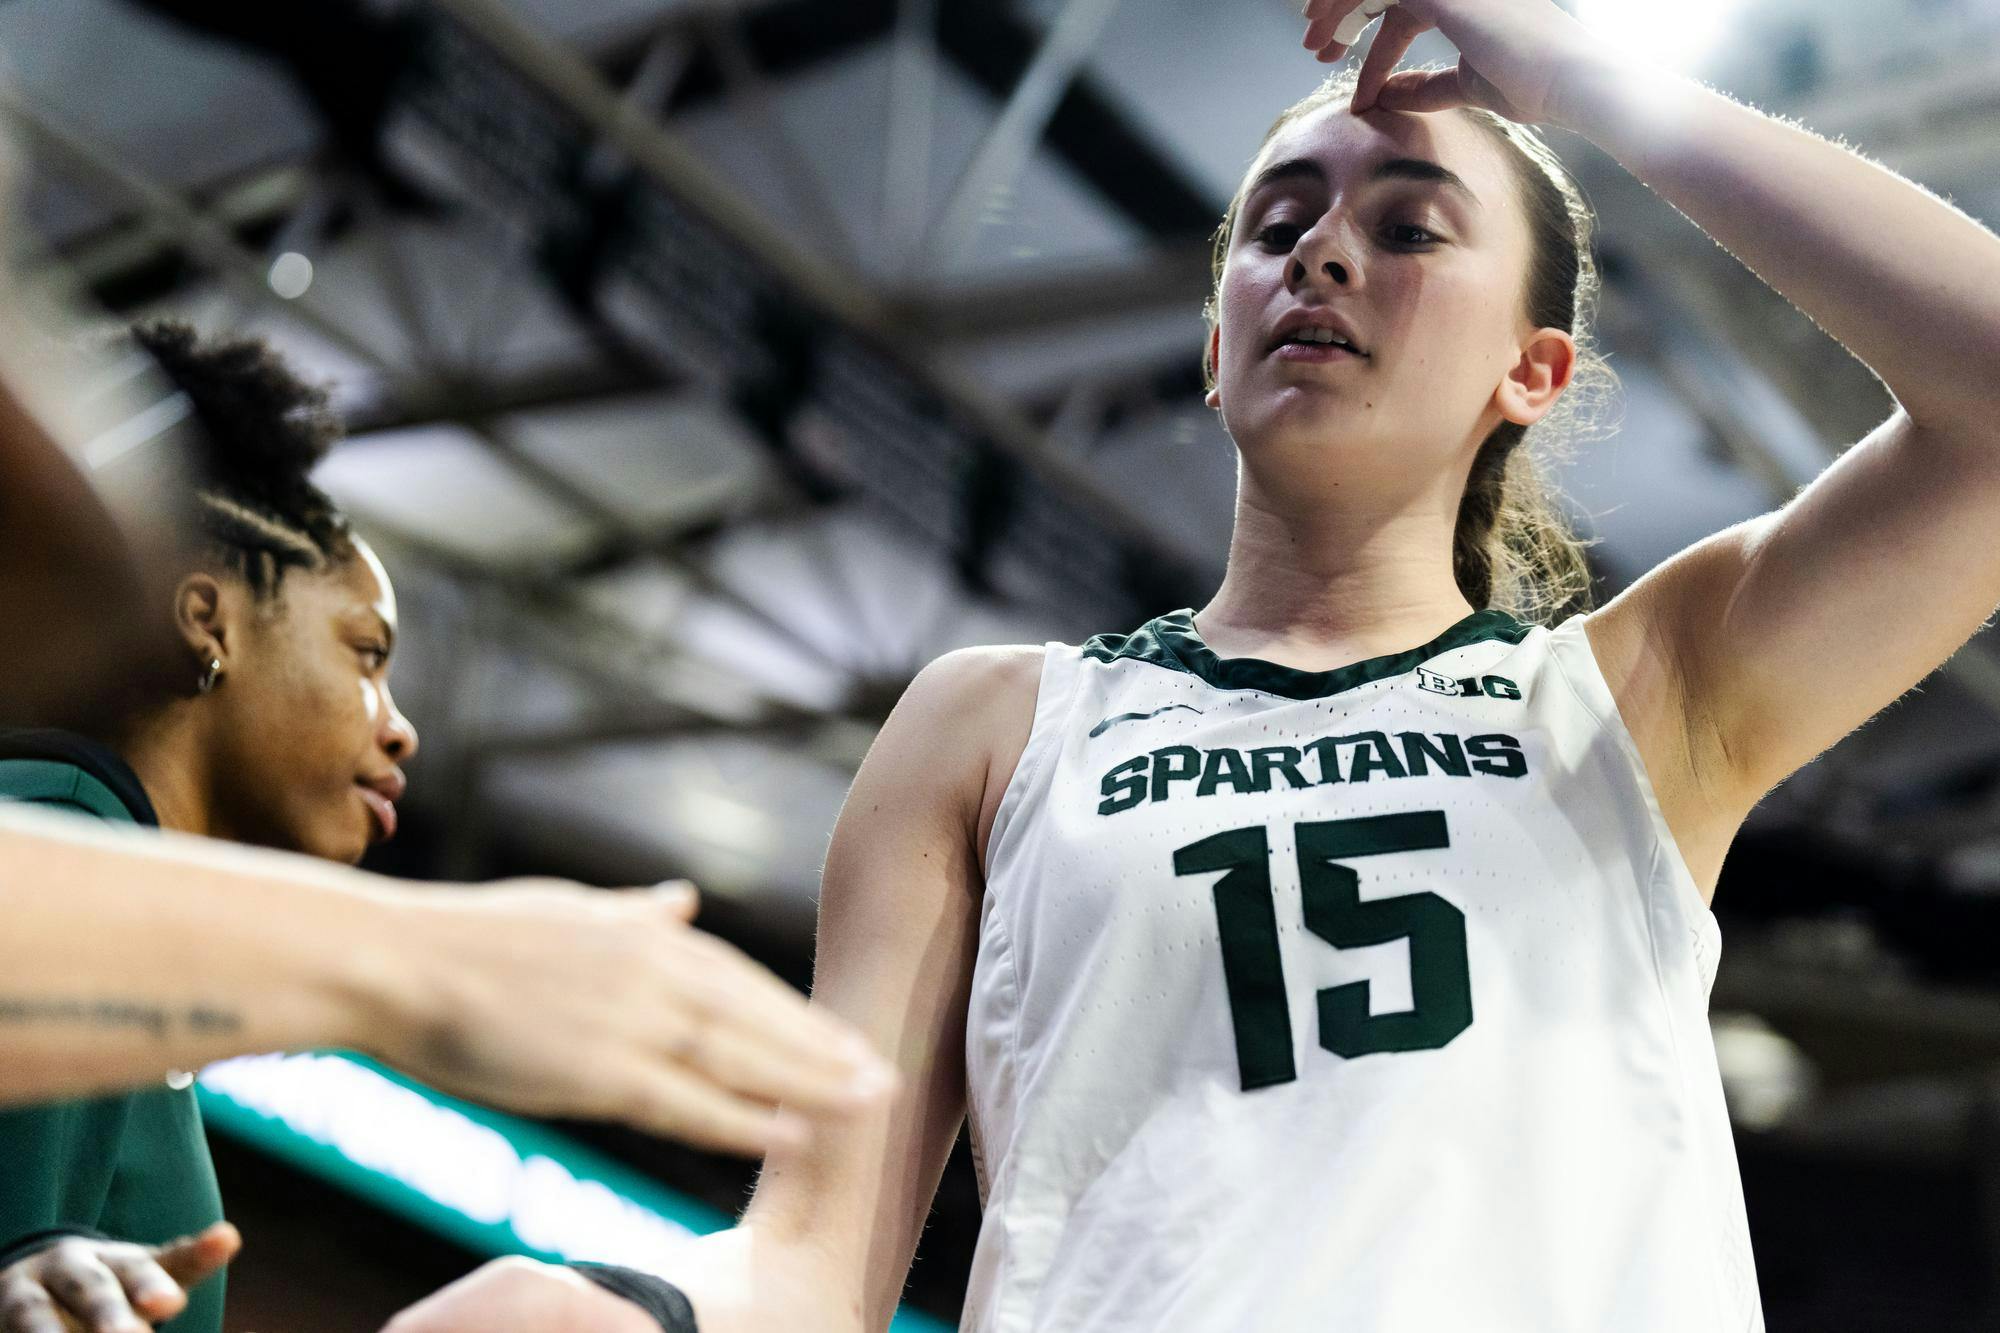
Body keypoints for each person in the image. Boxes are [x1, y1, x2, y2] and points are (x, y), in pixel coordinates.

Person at [382, 0, 2000, 1329]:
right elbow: (812, 1257)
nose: (1325, 257)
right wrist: (623, 1311)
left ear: (1535, 367)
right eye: (1280, 225)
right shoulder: (994, 720)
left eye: (1410, 224)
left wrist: (1586, 85)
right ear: (1214, 347)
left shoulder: (1643, 696)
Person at [0, 322, 891, 1333]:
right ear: (210, 620)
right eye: (366, 653)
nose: (400, 725)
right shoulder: (72, 817)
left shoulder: (125, 932)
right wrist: (440, 964)